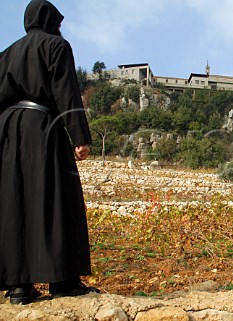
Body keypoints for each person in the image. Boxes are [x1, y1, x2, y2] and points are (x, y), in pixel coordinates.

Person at [0, 0, 98, 304]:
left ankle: (19, 286)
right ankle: (63, 280)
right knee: (57, 198)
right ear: (51, 21)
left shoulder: (7, 53)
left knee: (14, 202)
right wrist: (79, 136)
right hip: (43, 125)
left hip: (7, 130)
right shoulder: (56, 45)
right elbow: (65, 90)